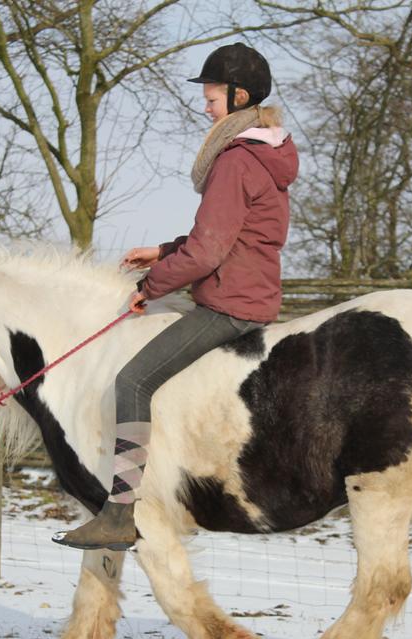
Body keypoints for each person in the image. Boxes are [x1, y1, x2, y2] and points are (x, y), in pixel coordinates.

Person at [53, 42, 299, 551]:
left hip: (229, 305)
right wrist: (163, 250)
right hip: (248, 293)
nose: (205, 108)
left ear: (238, 97)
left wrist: (150, 286)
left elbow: (209, 253)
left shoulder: (235, 161)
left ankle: (119, 515)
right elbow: (229, 235)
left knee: (131, 380)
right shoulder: (263, 156)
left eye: (211, 99)